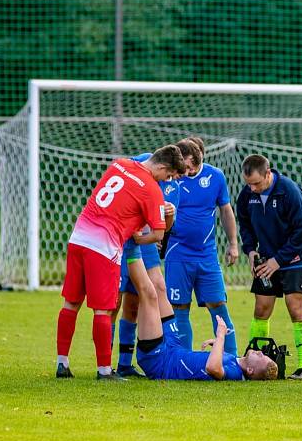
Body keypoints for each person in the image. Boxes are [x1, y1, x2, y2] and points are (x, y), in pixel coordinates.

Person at [55, 146, 186, 380]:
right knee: (103, 309)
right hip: (104, 246)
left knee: (71, 303)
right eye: (168, 176)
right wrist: (140, 236)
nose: (167, 181)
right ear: (164, 167)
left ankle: (62, 363)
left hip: (78, 237)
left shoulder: (120, 164)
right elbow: (158, 235)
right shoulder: (152, 190)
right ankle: (104, 370)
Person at [112, 139, 203, 378]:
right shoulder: (143, 162)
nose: (184, 175)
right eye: (185, 167)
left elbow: (165, 231)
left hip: (147, 242)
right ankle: (104, 364)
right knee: (114, 303)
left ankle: (129, 362)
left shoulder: (175, 184)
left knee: (147, 294)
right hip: (125, 236)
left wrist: (169, 215)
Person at [235, 154, 302, 380]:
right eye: (248, 183)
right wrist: (250, 250)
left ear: (268, 174)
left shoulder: (288, 191)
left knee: (294, 306)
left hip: (294, 259)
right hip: (266, 258)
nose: (252, 188)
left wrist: (278, 261)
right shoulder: (247, 194)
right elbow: (245, 225)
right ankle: (253, 360)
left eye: (257, 183)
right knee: (261, 307)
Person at [164, 137, 240, 355]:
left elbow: (226, 211)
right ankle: (181, 359)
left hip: (207, 255)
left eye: (189, 167)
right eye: (182, 166)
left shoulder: (215, 176)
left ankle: (232, 358)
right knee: (179, 308)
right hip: (177, 253)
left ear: (198, 161)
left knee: (218, 306)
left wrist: (233, 244)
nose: (185, 171)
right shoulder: (171, 179)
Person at [134, 271, 278, 381]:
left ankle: (130, 247)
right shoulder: (237, 361)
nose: (260, 352)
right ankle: (143, 241)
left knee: (148, 295)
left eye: (261, 357)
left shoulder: (235, 372)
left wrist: (220, 336)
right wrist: (217, 345)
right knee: (159, 286)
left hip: (160, 362)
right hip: (173, 348)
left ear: (251, 370)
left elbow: (213, 368)